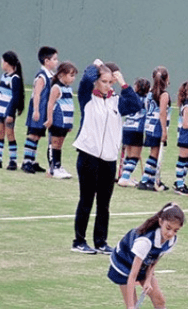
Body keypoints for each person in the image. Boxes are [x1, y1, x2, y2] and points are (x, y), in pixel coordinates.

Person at [93, 202, 188, 309]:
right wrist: (131, 306)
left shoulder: (170, 240)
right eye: (168, 228)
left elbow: (155, 260)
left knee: (159, 300)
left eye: (175, 230)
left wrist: (149, 278)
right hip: (123, 266)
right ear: (160, 221)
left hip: (144, 265)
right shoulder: (144, 241)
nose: (170, 233)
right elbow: (132, 276)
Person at [71, 60, 143, 255]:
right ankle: (79, 241)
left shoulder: (117, 101)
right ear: (97, 81)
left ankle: (101, 241)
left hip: (109, 159)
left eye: (110, 82)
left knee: (104, 203)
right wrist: (96, 67)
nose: (108, 86)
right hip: (88, 155)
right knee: (86, 200)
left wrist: (122, 82)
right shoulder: (87, 97)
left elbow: (136, 105)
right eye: (104, 81)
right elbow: (86, 79)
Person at [22, 46, 58, 174]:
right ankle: (26, 162)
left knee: (37, 136)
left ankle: (32, 161)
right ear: (46, 61)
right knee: (32, 135)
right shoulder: (42, 76)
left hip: (44, 112)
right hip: (38, 110)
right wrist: (36, 110)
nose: (56, 61)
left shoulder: (51, 75)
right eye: (54, 59)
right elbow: (36, 94)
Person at [137, 66, 171, 191]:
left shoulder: (150, 92)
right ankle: (145, 180)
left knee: (154, 152)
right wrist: (164, 131)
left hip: (149, 125)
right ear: (166, 78)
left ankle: (151, 180)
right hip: (157, 126)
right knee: (154, 154)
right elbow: (162, 113)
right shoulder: (164, 94)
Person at [43, 61, 77, 178]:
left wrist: (69, 124)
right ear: (62, 75)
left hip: (65, 123)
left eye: (74, 76)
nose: (73, 78)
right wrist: (49, 119)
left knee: (60, 145)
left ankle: (58, 165)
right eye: (71, 75)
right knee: (54, 144)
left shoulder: (69, 89)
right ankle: (53, 168)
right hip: (57, 120)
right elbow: (50, 104)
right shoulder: (56, 88)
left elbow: (69, 105)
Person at [117, 77, 151, 187]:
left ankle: (124, 176)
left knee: (129, 154)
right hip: (138, 129)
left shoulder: (131, 97)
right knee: (134, 156)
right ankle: (125, 178)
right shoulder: (147, 100)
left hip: (127, 127)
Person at [0, 50, 24, 170]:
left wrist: (11, 113)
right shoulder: (4, 76)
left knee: (10, 134)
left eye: (2, 61)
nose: (1, 64)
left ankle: (13, 160)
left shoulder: (15, 78)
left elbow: (16, 97)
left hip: (7, 111)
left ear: (7, 63)